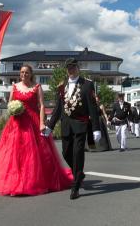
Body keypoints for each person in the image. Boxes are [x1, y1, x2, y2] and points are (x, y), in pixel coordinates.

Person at [0, 64, 73, 196]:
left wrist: (42, 122)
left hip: (33, 122)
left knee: (35, 154)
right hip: (16, 123)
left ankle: (33, 181)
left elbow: (42, 105)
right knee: (14, 153)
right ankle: (14, 181)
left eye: (26, 72)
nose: (24, 74)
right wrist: (13, 109)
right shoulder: (15, 87)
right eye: (22, 72)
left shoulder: (37, 87)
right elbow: (9, 103)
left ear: (31, 74)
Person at [47, 58, 101, 200]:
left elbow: (92, 107)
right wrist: (50, 126)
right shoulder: (62, 85)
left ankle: (75, 186)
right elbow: (58, 108)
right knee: (66, 153)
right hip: (66, 125)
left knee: (78, 154)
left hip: (80, 124)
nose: (70, 70)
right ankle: (79, 173)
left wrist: (96, 128)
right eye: (68, 68)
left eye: (73, 67)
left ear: (78, 68)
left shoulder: (87, 85)